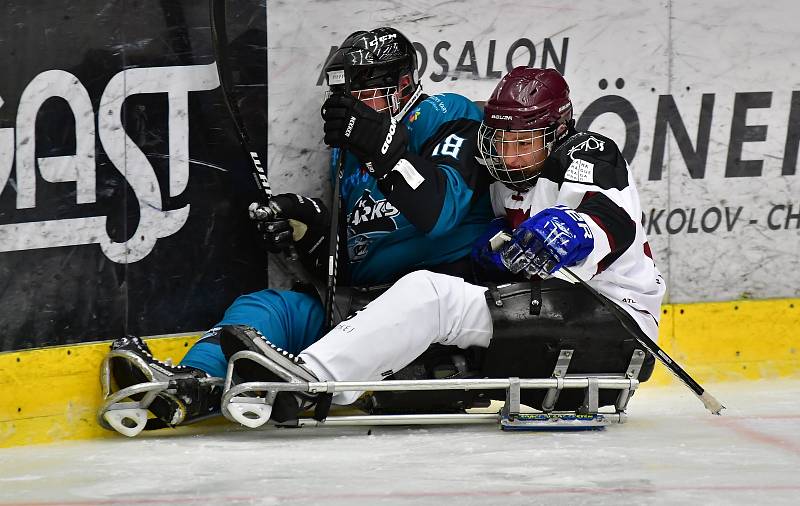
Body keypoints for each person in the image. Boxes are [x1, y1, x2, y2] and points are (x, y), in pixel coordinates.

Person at [99, 27, 494, 435]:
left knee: (410, 295)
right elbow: (349, 264)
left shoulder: (447, 114)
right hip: (370, 300)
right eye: (345, 95)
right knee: (264, 308)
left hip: (438, 303)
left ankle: (300, 384)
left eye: (364, 92)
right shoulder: (349, 155)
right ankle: (192, 384)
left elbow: (440, 211)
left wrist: (382, 147)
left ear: (403, 85)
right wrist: (308, 228)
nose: (352, 105)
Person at [219, 66, 666, 423]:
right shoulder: (502, 184)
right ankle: (332, 380)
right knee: (430, 291)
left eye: (525, 143)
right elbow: (503, 249)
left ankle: (311, 381)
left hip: (614, 320)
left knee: (429, 295)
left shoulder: (586, 151)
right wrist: (494, 254)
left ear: (557, 131)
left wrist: (575, 230)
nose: (510, 156)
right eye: (503, 141)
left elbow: (613, 219)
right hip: (554, 313)